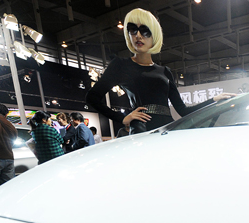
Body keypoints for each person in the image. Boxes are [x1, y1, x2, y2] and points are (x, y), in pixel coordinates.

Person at [86, 8, 234, 134]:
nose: (138, 35)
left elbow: (182, 110)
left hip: (168, 130)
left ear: (154, 35)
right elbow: (92, 98)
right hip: (142, 132)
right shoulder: (120, 65)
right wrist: (122, 118)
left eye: (145, 31)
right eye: (133, 29)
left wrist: (214, 100)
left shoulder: (165, 71)